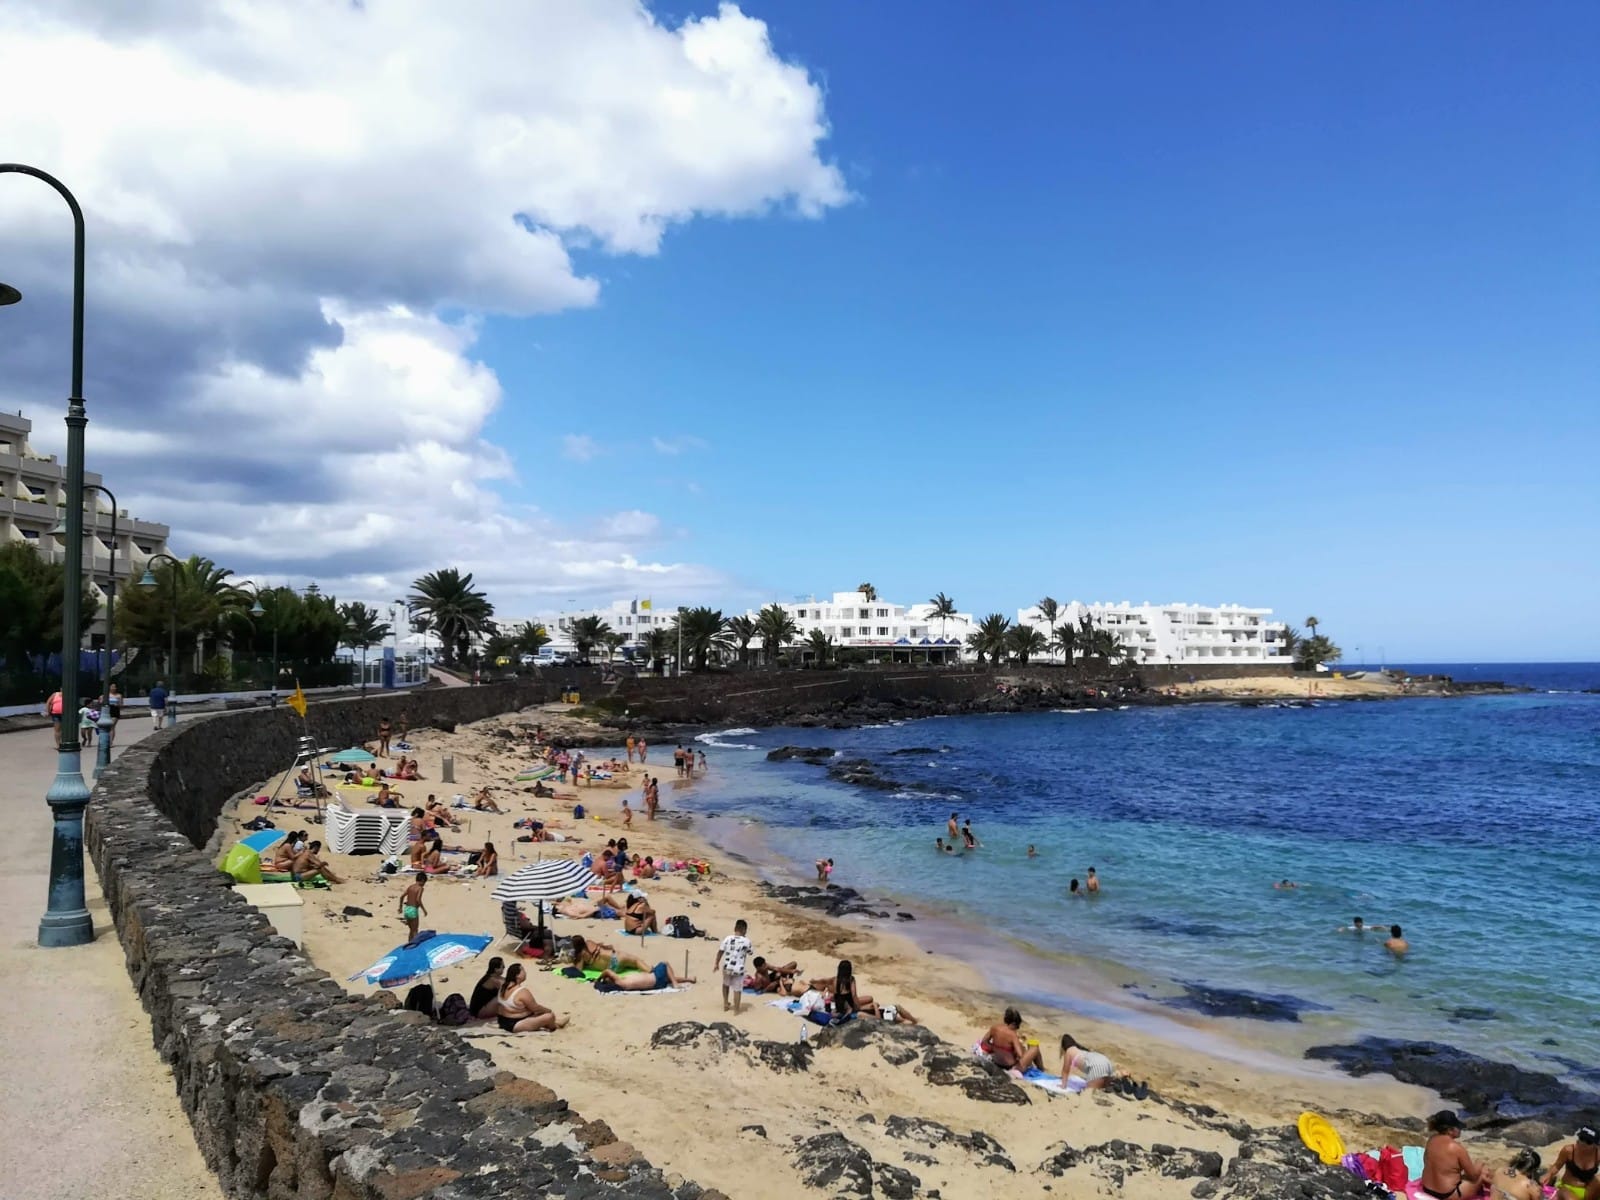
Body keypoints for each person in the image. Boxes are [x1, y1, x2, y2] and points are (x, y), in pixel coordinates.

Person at [1420, 1111, 1490, 1199]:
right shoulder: (1456, 1148)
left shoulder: (1431, 1140)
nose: (1460, 1130)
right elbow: (1473, 1177)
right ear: (1450, 1130)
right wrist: (1480, 1163)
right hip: (1446, 1194)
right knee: (1483, 1173)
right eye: (1458, 1127)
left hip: (1427, 1188)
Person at [496, 963, 567, 1031]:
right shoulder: (521, 991)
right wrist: (549, 1011)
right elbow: (536, 1008)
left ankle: (556, 1022)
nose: (525, 972)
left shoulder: (503, 986)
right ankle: (555, 1026)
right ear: (517, 975)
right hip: (514, 1024)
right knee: (549, 1016)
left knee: (532, 1011)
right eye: (523, 970)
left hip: (502, 1020)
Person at [979, 1007, 1042, 1073]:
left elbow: (984, 1042)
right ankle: (1041, 1070)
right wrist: (1021, 1048)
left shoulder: (994, 1028)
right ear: (1014, 1023)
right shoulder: (1012, 1035)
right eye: (1017, 1026)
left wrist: (995, 1048)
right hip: (1011, 1067)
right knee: (1035, 1049)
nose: (1016, 1029)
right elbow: (1020, 1055)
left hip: (996, 1062)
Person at [1545, 1126, 1599, 1199]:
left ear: (1596, 1145)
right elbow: (1557, 1166)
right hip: (1568, 1188)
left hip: (1587, 1192)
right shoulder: (1569, 1150)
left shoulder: (1598, 1154)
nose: (1583, 1143)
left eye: (1588, 1142)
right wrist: (1549, 1174)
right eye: (1581, 1139)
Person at [717, 919, 753, 1015]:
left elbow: (720, 951)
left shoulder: (727, 938)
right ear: (744, 930)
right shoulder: (746, 941)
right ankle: (736, 1010)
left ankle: (725, 1003)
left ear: (735, 928)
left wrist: (716, 963)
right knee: (737, 989)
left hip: (727, 966)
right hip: (738, 968)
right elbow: (750, 952)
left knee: (725, 984)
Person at [599, 960, 694, 991]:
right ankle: (675, 984)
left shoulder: (621, 983)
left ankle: (688, 979)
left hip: (656, 983)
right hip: (655, 979)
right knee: (665, 963)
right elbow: (607, 971)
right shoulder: (620, 981)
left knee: (668, 977)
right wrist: (598, 979)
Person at [398, 872, 427, 940]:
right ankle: (415, 948)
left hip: (407, 909)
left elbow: (401, 897)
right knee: (415, 931)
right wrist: (424, 910)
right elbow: (418, 900)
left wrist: (400, 908)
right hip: (413, 910)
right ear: (422, 880)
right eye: (424, 882)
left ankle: (409, 943)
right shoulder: (420, 888)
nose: (424, 885)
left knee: (411, 930)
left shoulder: (410, 887)